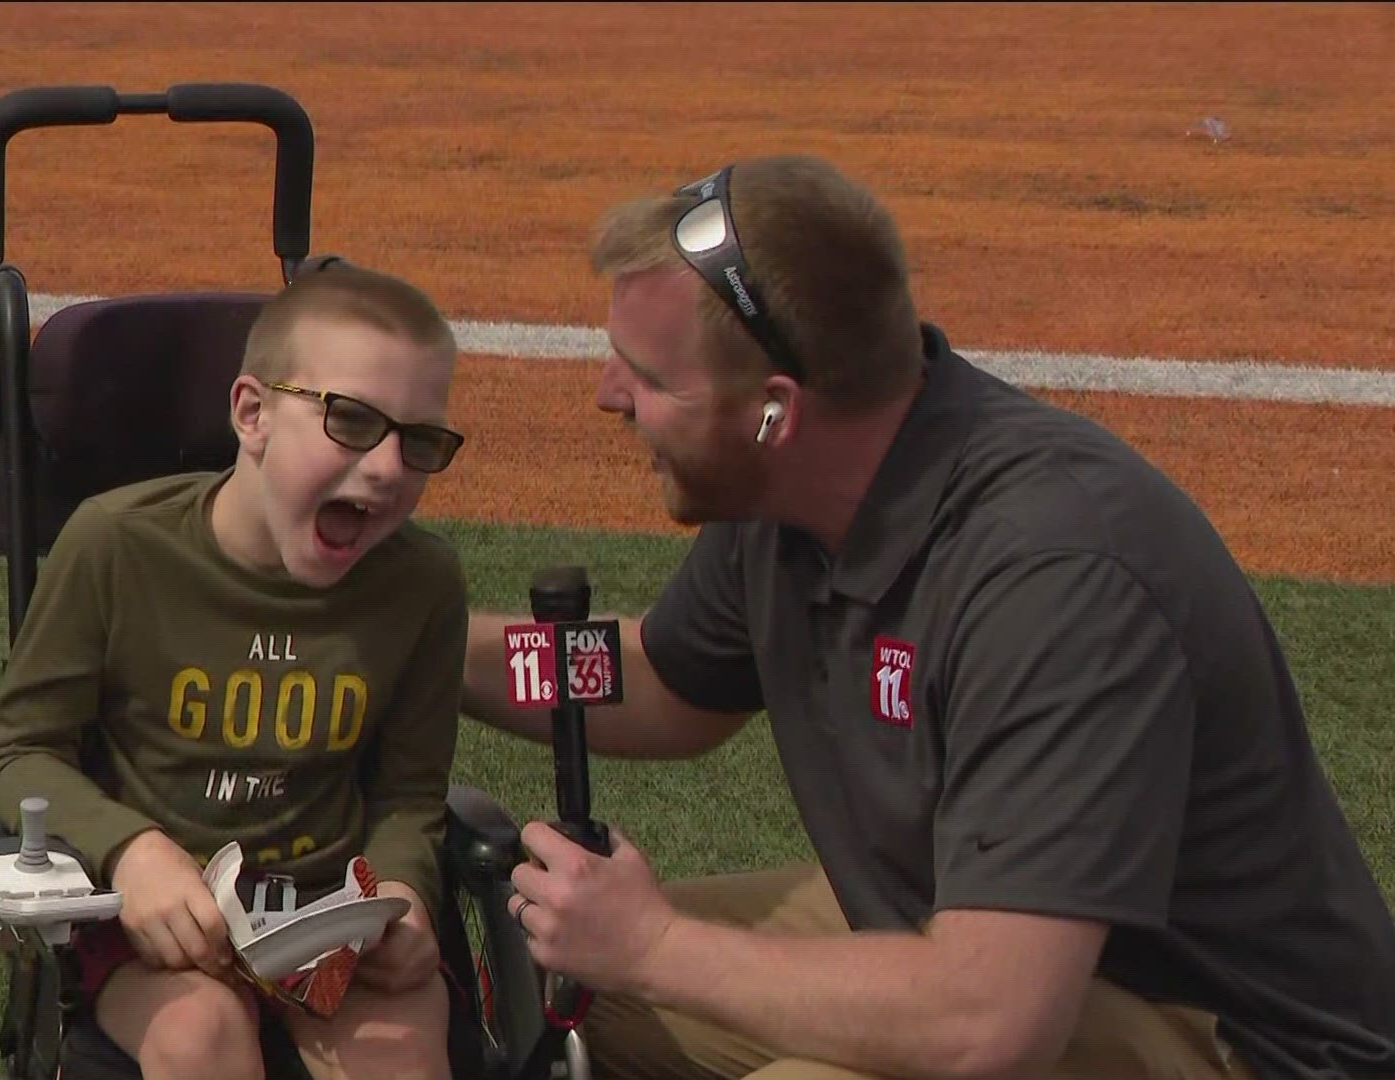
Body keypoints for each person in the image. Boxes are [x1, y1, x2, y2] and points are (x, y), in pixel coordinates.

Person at [459, 155, 1395, 1080]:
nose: (607, 395)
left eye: (647, 375)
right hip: (978, 935)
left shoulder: (1052, 579)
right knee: (566, 978)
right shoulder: (792, 499)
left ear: (773, 413)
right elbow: (665, 681)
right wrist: (423, 646)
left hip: (1218, 1035)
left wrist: (657, 944)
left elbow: (989, 1021)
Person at [0, 259, 470, 1080]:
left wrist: (405, 894)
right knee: (199, 1040)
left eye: (419, 441)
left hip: (334, 913)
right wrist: (131, 851)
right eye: (350, 420)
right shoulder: (116, 546)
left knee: (401, 1059)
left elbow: (410, 797)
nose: (387, 466)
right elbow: (15, 751)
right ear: (252, 414)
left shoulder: (421, 585)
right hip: (161, 929)